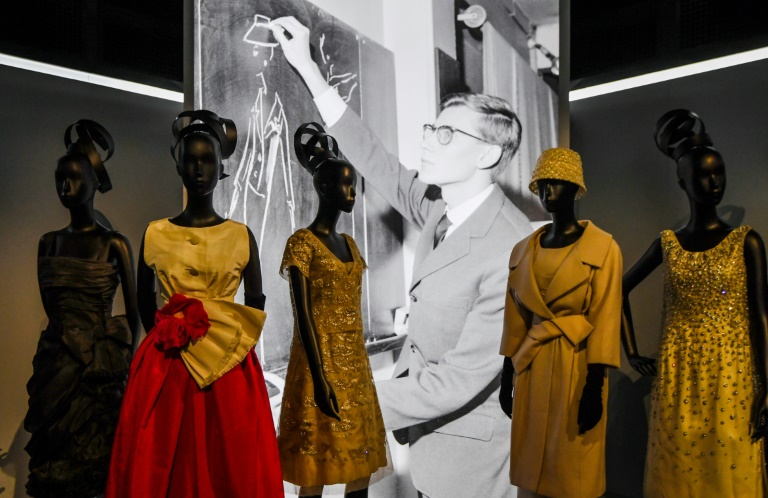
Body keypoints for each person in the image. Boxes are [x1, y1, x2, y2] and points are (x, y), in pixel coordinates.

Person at [271, 17, 532, 497]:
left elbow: (458, 380)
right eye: (432, 127)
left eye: (446, 133)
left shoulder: (512, 248)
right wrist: (307, 68)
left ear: (488, 155)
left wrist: (341, 398)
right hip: (429, 447)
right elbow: (378, 162)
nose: (427, 138)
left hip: (470, 468)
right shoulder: (439, 208)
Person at [105, 110, 283, 497]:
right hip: (165, 364)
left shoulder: (240, 235)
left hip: (228, 368)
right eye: (190, 160)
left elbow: (255, 303)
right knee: (163, 459)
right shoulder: (155, 233)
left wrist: (227, 342)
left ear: (221, 167)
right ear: (178, 166)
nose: (199, 169)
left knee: (229, 460)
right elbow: (144, 302)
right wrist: (168, 336)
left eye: (207, 160)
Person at [622, 109, 768, 497]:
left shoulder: (746, 241)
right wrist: (632, 353)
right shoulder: (668, 244)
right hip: (678, 375)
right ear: (683, 182)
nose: (714, 182)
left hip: (733, 374)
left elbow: (761, 316)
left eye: (719, 172)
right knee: (679, 467)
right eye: (703, 175)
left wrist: (765, 387)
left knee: (730, 462)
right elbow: (619, 290)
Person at [499, 148, 622, 498]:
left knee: (573, 468)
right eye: (542, 183)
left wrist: (595, 387)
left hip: (577, 365)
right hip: (532, 367)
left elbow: (605, 319)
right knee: (533, 467)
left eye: (557, 183)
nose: (547, 191)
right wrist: (506, 378)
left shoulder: (603, 248)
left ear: (575, 188)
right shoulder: (523, 251)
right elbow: (515, 320)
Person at [26, 120, 139, 498]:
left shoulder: (115, 244)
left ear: (93, 183)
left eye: (74, 178)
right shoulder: (48, 243)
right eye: (60, 179)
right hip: (56, 361)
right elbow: (52, 306)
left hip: (100, 368)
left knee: (97, 457)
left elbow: (134, 314)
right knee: (55, 454)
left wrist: (126, 365)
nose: (65, 187)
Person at [278, 123, 388, 497]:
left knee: (359, 464)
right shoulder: (302, 243)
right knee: (316, 469)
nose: (352, 193)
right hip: (317, 365)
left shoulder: (351, 245)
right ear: (325, 188)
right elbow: (303, 318)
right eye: (345, 185)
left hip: (355, 368)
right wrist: (320, 378)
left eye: (353, 185)